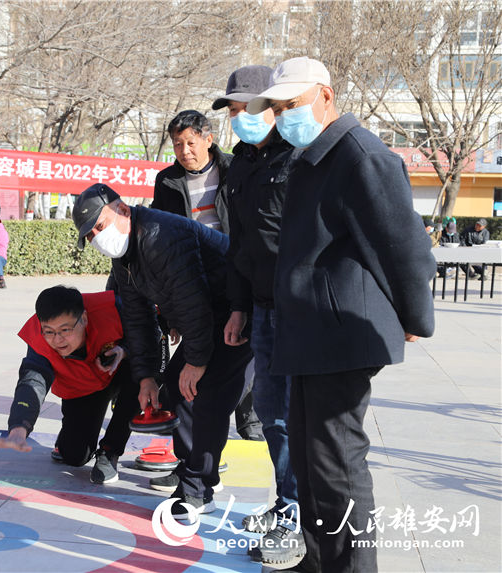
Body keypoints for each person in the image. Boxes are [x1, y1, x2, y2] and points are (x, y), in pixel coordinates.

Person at [247, 56, 436, 572]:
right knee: (310, 465)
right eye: (279, 109)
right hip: (309, 333)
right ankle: (317, 561)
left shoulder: (361, 156)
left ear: (326, 97)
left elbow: (404, 247)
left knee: (337, 466)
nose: (285, 117)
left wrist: (414, 317)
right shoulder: (314, 155)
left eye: (293, 105)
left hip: (339, 334)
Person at [72, 183, 252, 520]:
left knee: (203, 394)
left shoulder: (159, 235)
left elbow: (193, 302)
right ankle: (194, 475)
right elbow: (137, 320)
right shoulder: (124, 258)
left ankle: (199, 488)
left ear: (122, 210)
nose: (98, 238)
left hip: (239, 311)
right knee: (176, 386)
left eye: (100, 225)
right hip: (209, 317)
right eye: (91, 235)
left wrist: (196, 362)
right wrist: (146, 378)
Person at [213, 64, 305, 563]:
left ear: (274, 105)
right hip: (262, 308)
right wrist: (237, 307)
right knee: (270, 414)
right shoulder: (243, 163)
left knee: (297, 417)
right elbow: (241, 245)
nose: (238, 118)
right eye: (232, 109)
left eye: (245, 107)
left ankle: (299, 512)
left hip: (304, 311)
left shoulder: (304, 157)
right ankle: (285, 500)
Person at [151, 109, 263, 444]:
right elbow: (163, 244)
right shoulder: (168, 181)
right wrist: (169, 312)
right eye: (177, 144)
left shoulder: (235, 170)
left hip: (237, 272)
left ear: (208, 139)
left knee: (240, 345)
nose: (185, 151)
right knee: (203, 350)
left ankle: (248, 417)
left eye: (190, 142)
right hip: (196, 282)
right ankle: (194, 433)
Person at [0, 286, 139, 484]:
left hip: (121, 372)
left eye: (65, 330)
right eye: (49, 331)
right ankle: (69, 436)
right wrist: (19, 428)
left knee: (143, 375)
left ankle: (110, 451)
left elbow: (152, 329)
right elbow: (32, 381)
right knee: (74, 456)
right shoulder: (38, 337)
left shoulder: (113, 308)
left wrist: (125, 350)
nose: (57, 340)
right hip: (83, 386)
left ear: (83, 318)